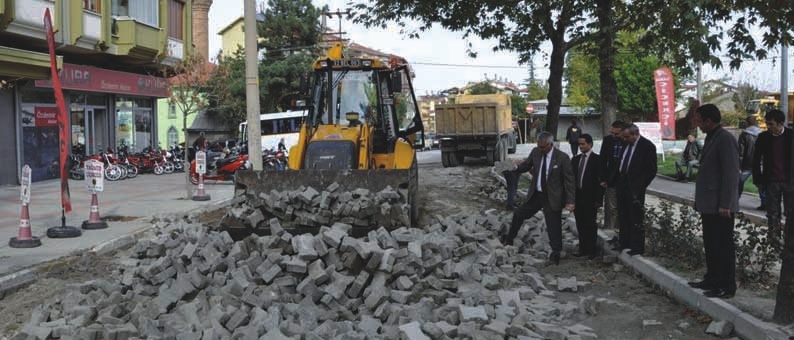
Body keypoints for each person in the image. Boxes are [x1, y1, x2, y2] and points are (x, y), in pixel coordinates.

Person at [689, 103, 739, 299]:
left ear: (709, 121)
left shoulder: (725, 139)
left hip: (721, 205)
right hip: (709, 204)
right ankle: (712, 278)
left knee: (723, 246)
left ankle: (726, 285)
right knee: (711, 244)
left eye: (700, 121)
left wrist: (726, 203)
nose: (698, 125)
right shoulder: (711, 137)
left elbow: (730, 174)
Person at [502, 131, 576, 265]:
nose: (540, 149)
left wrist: (570, 201)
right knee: (518, 214)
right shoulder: (536, 152)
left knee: (553, 225)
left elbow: (569, 180)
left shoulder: (562, 158)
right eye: (538, 146)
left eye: (543, 147)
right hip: (536, 194)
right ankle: (509, 239)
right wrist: (515, 167)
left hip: (552, 196)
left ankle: (556, 253)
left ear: (550, 144)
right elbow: (526, 166)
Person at [752, 109, 793, 246]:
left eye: (771, 124)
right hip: (771, 181)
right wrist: (758, 180)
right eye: (767, 124)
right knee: (772, 213)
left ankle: (789, 241)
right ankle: (774, 240)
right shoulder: (763, 138)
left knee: (790, 212)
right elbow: (756, 159)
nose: (769, 127)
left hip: (789, 181)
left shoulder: (791, 136)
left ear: (781, 123)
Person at [615, 124, 657, 256]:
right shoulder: (625, 145)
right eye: (624, 137)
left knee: (636, 216)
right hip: (622, 183)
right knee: (623, 214)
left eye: (627, 137)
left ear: (635, 134)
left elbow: (651, 170)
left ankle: (636, 246)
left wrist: (641, 185)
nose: (625, 139)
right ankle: (624, 242)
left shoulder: (647, 146)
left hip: (635, 186)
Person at [571, 134, 604, 259]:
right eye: (579, 144)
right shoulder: (575, 160)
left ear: (590, 144)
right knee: (580, 223)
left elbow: (600, 182)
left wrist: (599, 199)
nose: (580, 146)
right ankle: (582, 248)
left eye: (583, 144)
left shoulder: (597, 160)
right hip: (577, 196)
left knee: (590, 223)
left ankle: (591, 250)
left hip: (590, 197)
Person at [599, 120, 626, 236]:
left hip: (625, 179)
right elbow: (602, 160)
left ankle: (625, 234)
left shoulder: (627, 141)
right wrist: (603, 178)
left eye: (616, 134)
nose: (614, 136)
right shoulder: (608, 141)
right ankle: (617, 233)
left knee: (625, 208)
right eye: (612, 133)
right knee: (613, 208)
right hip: (611, 179)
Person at [737, 116, 763, 207]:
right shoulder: (762, 134)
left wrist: (739, 165)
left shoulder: (744, 135)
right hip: (759, 163)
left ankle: (735, 200)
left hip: (746, 163)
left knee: (739, 182)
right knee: (761, 184)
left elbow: (740, 152)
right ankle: (764, 203)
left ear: (747, 123)